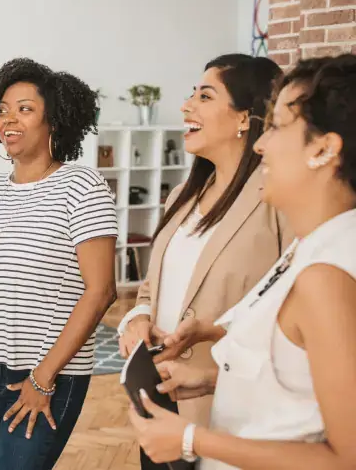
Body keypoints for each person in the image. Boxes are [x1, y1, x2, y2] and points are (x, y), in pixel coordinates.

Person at [130, 54, 356, 470]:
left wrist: (193, 439)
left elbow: (347, 457)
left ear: (324, 149)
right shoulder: (310, 247)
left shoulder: (327, 273)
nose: (260, 143)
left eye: (277, 127)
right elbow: (296, 383)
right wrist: (209, 372)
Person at [113, 54, 288, 469]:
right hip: (158, 399)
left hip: (228, 409)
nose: (186, 105)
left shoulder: (278, 200)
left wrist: (212, 332)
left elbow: (287, 309)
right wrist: (136, 319)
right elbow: (151, 288)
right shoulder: (181, 197)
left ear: (244, 117)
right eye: (192, 94)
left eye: (205, 96)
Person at [0, 58, 118, 470]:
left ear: (54, 120)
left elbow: (101, 292)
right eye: (3, 109)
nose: (9, 119)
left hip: (48, 373)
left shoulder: (82, 186)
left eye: (24, 109)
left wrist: (43, 379)